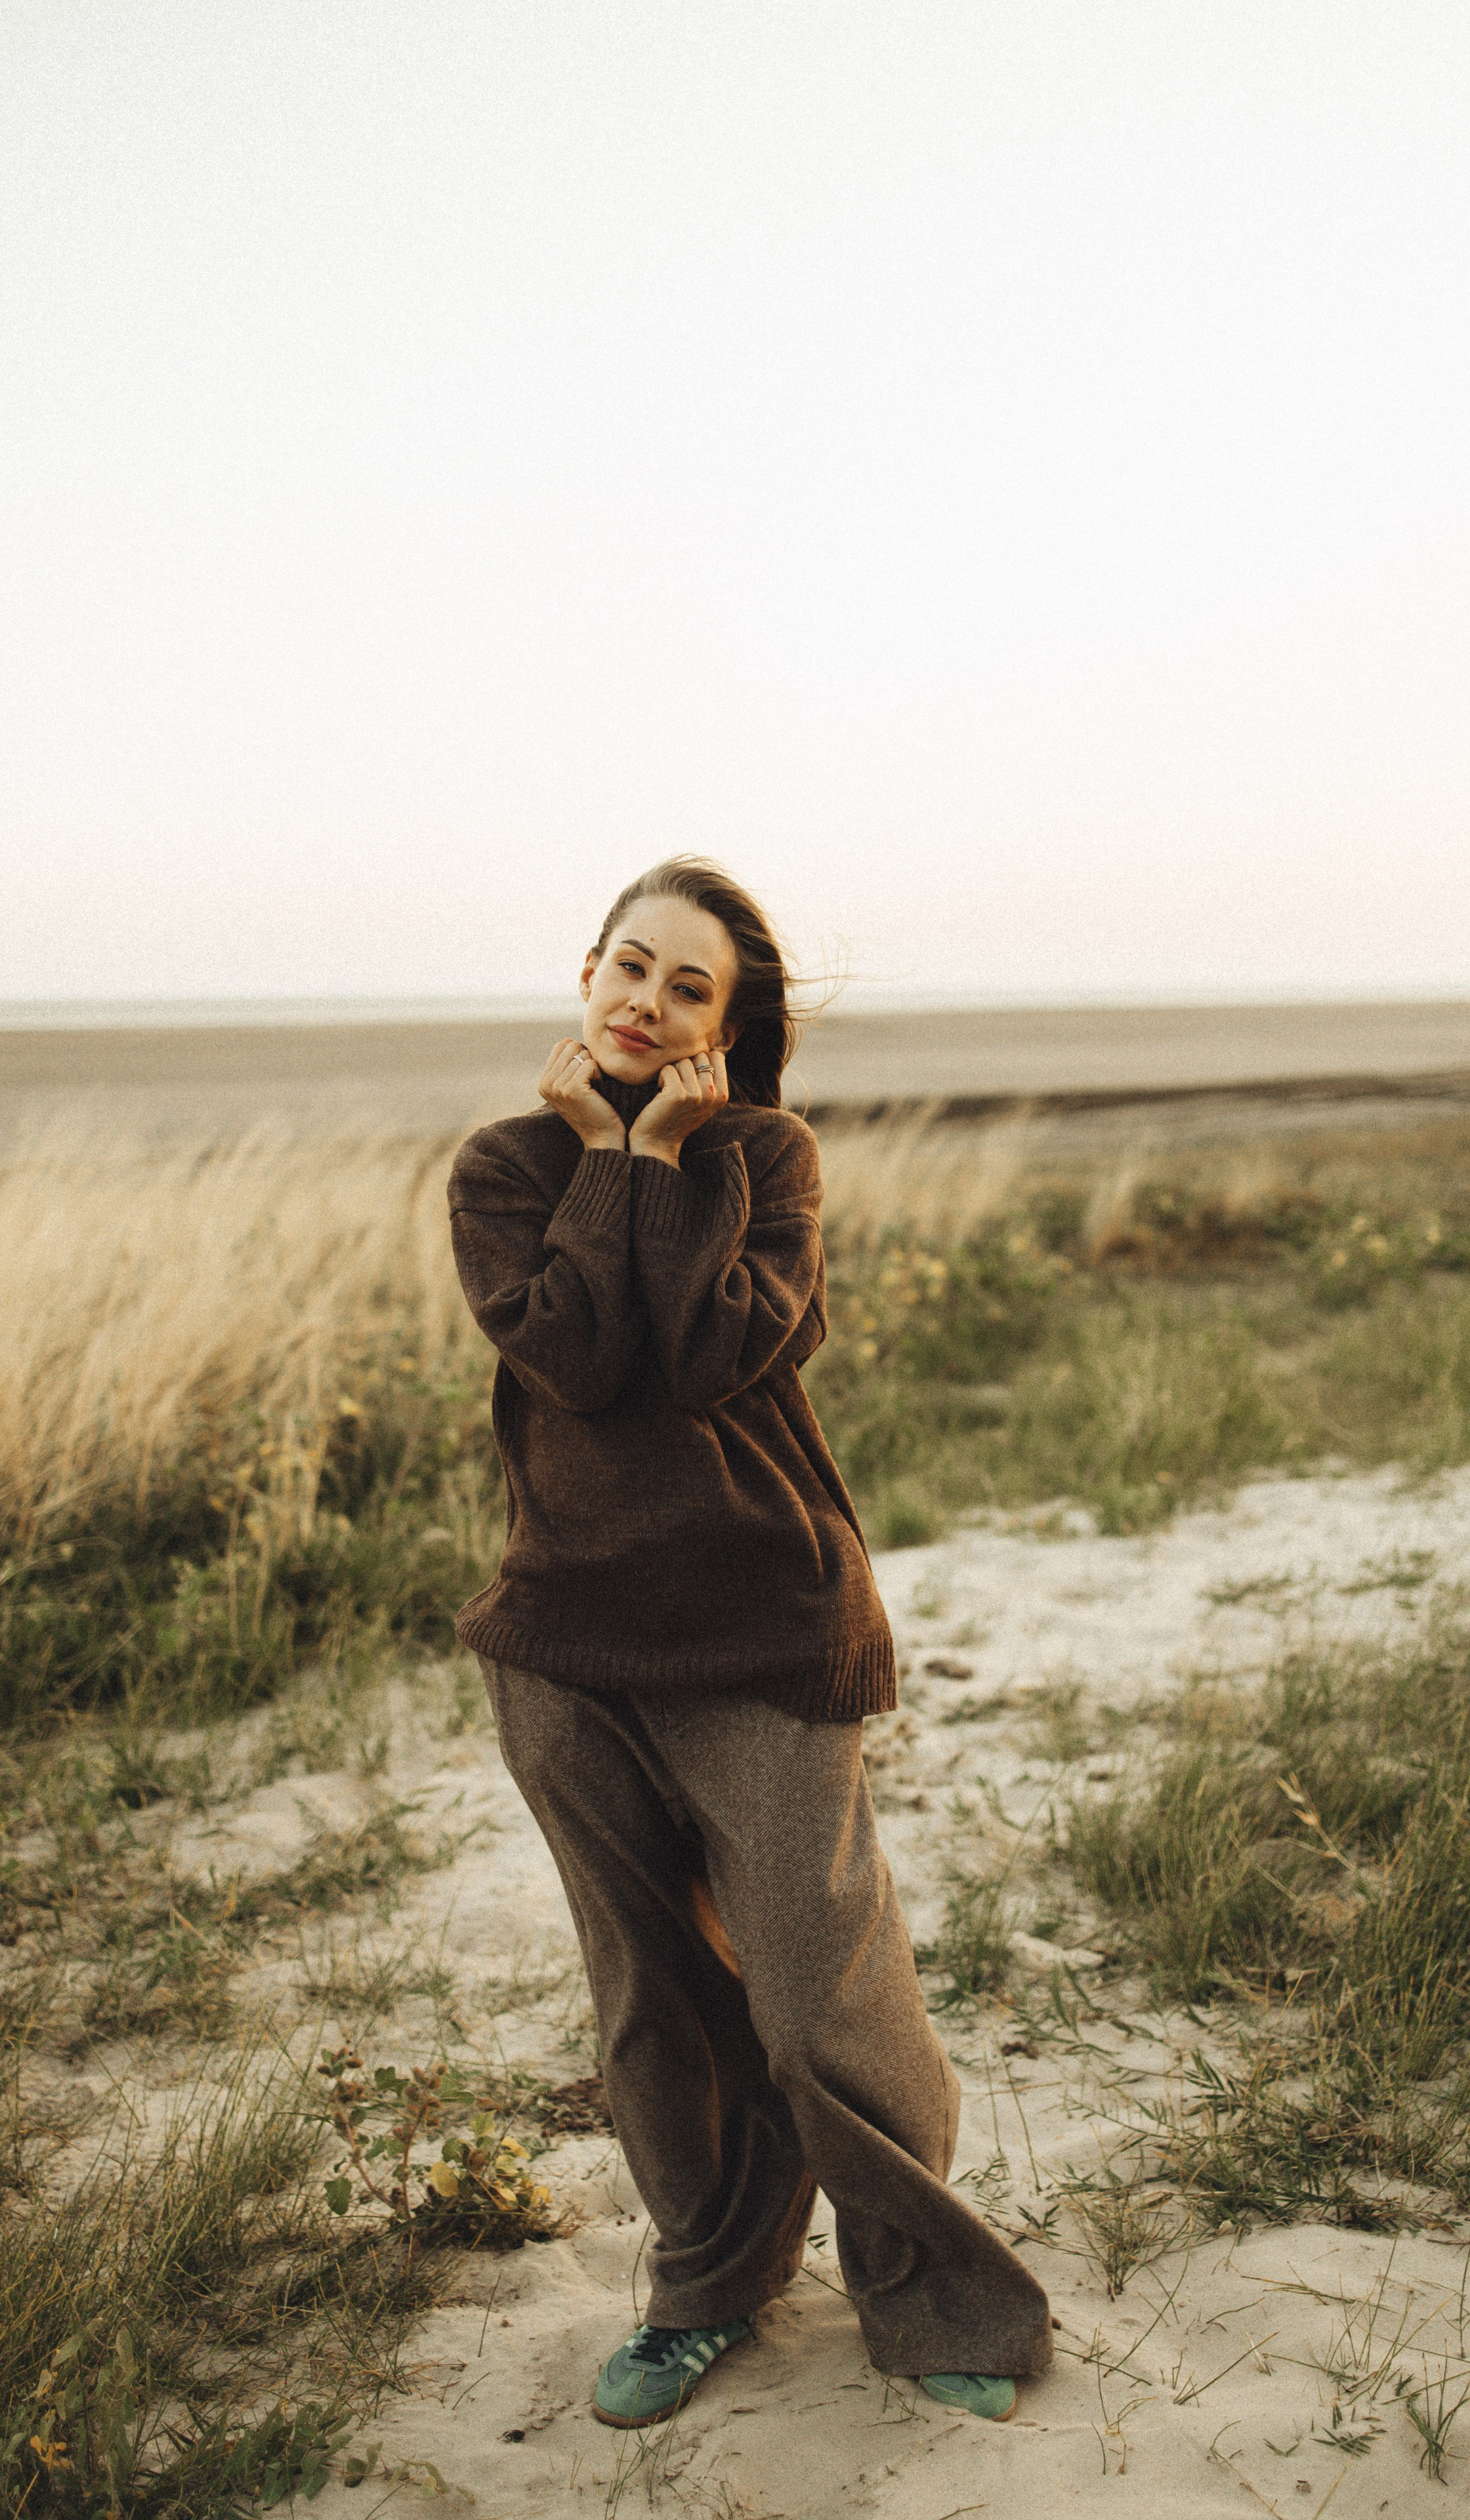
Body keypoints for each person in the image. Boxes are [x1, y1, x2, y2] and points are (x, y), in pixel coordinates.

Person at [448, 856, 1053, 2430]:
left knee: (817, 1996)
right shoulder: (502, 1167)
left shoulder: (767, 1158)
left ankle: (938, 2294)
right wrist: (603, 1159)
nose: (645, 1003)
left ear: (727, 1022)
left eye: (687, 986)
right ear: (584, 972)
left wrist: (665, 1158)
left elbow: (713, 1354)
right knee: (651, 1996)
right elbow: (577, 1362)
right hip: (564, 1645)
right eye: (628, 968)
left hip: (763, 1622)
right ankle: (704, 2287)